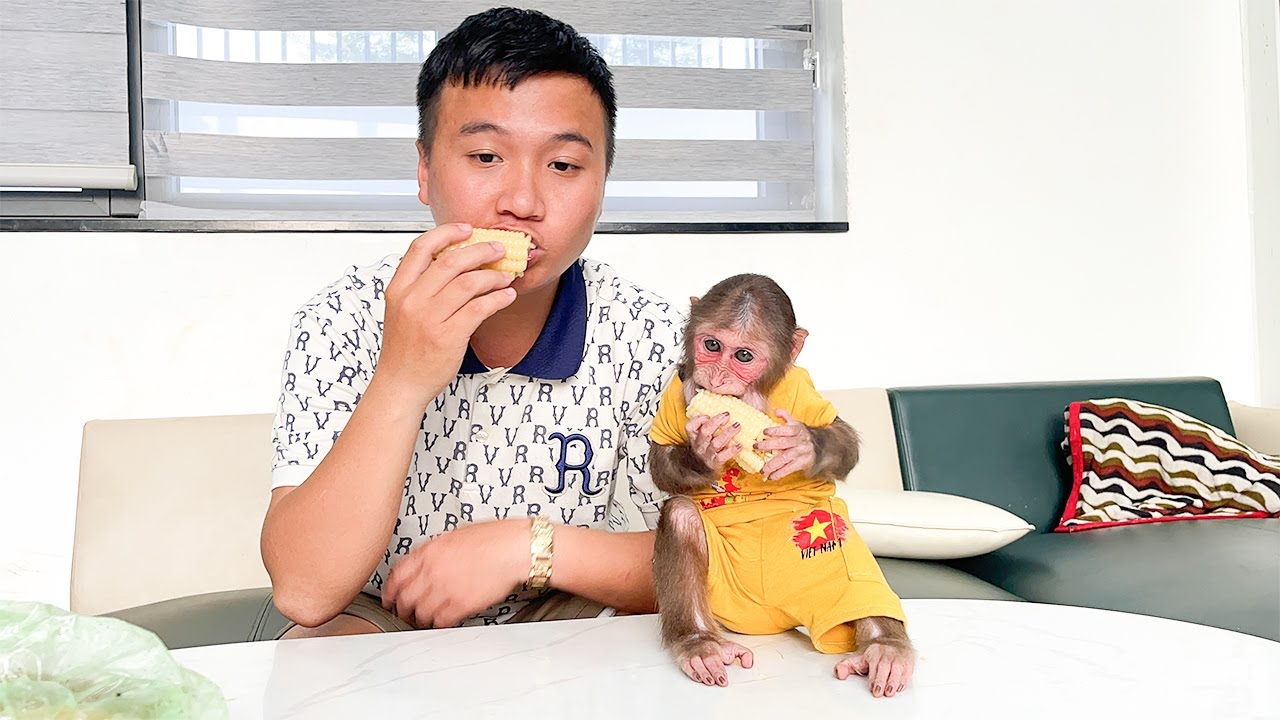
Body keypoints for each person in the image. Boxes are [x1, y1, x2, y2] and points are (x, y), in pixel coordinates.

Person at [260, 7, 683, 638]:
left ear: (604, 182)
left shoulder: (655, 335)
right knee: (316, 644)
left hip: (574, 611)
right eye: (486, 156)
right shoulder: (341, 317)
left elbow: (715, 560)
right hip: (384, 615)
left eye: (564, 165)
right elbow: (304, 589)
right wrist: (402, 379)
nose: (523, 202)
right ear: (426, 170)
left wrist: (526, 548)